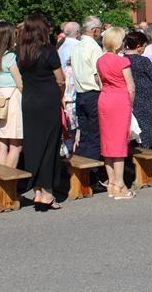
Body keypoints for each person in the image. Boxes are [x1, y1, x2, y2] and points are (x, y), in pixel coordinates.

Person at [17, 14, 65, 211]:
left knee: (34, 144)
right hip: (48, 99)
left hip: (29, 101)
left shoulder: (21, 51)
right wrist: (60, 94)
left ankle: (37, 189)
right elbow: (60, 79)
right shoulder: (48, 51)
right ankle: (47, 192)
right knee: (50, 145)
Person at [97, 27, 136, 200]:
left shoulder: (100, 60)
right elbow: (131, 87)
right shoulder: (123, 62)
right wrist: (131, 103)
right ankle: (120, 183)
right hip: (120, 100)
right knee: (120, 143)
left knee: (107, 141)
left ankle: (112, 183)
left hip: (104, 98)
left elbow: (100, 82)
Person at [0, 21, 24, 167]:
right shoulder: (10, 57)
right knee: (16, 145)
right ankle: (8, 183)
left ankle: (0, 182)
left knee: (1, 142)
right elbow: (19, 82)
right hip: (12, 99)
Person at [71, 16, 104, 174]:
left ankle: (83, 171)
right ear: (94, 30)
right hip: (92, 93)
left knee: (84, 134)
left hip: (80, 94)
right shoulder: (94, 47)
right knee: (95, 135)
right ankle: (92, 172)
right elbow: (98, 73)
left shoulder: (77, 46)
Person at [124, 31, 152, 149]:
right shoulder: (143, 61)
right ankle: (146, 155)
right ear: (138, 46)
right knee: (146, 129)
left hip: (130, 98)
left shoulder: (123, 59)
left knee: (132, 127)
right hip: (146, 100)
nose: (144, 49)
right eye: (144, 46)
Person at [57, 21, 80, 151]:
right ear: (77, 33)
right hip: (72, 88)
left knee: (67, 127)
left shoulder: (61, 45)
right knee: (74, 127)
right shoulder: (78, 46)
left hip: (63, 89)